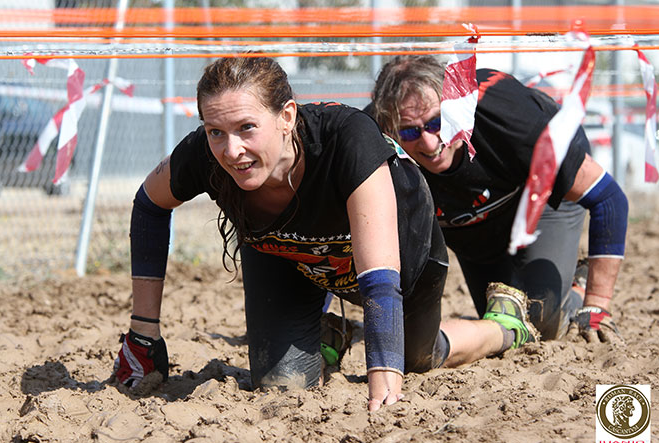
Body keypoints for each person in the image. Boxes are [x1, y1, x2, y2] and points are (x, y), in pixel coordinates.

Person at [111, 56, 537, 412]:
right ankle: (330, 330)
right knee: (281, 386)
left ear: (287, 117)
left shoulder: (347, 139)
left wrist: (384, 377)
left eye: (246, 128)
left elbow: (379, 277)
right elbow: (149, 205)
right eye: (215, 132)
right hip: (292, 261)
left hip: (397, 255)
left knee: (414, 359)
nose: (231, 150)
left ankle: (503, 326)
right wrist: (143, 335)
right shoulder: (204, 155)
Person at [368, 55, 628, 344]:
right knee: (502, 321)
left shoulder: (511, 118)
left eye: (437, 122)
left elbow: (610, 199)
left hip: (537, 201)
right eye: (409, 131)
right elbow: (322, 229)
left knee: (537, 321)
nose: (430, 143)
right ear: (390, 130)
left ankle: (577, 287)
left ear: (459, 105)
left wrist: (597, 303)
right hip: (472, 233)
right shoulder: (369, 141)